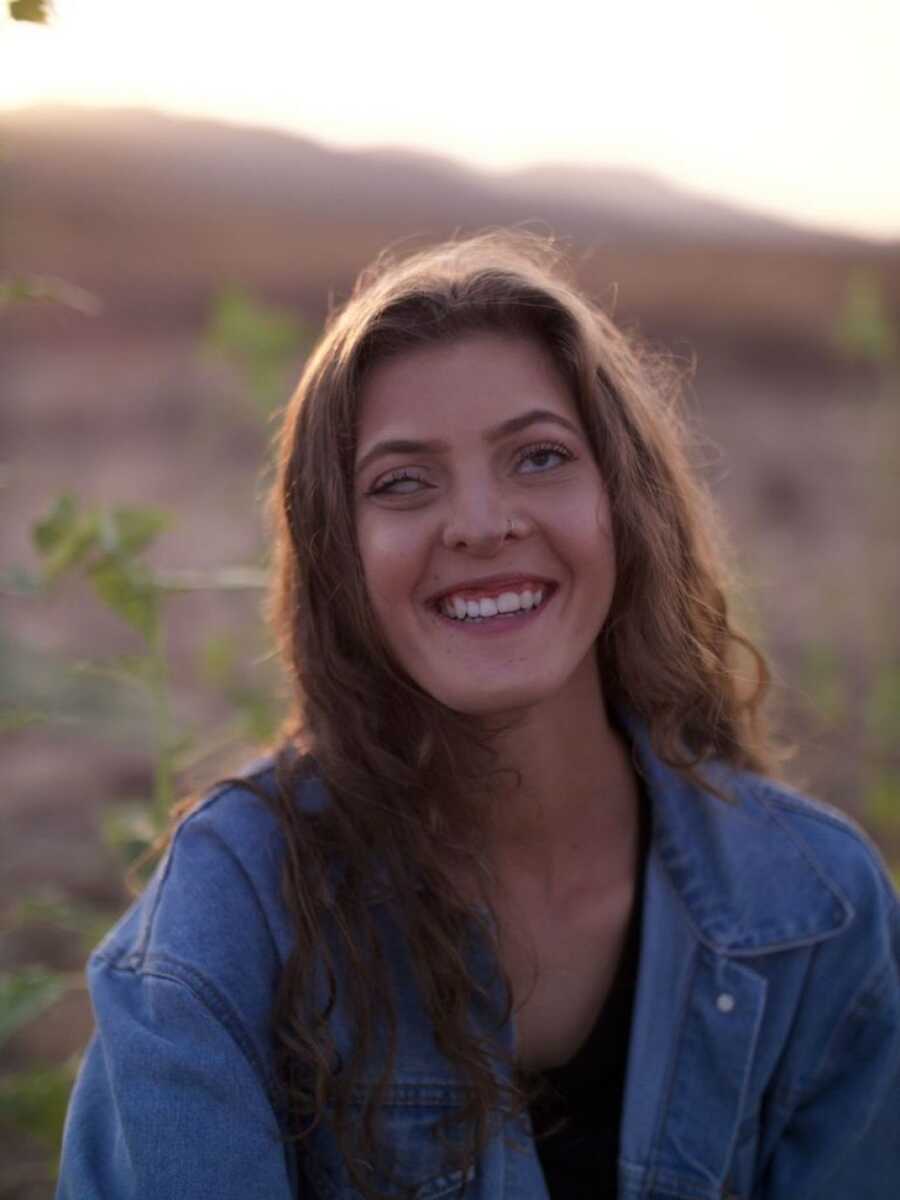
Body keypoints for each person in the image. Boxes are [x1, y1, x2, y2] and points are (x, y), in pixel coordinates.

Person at [57, 231, 900, 1199]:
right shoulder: (223, 923)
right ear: (340, 555)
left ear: (623, 505)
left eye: (538, 457)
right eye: (403, 482)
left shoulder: (815, 909)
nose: (480, 522)